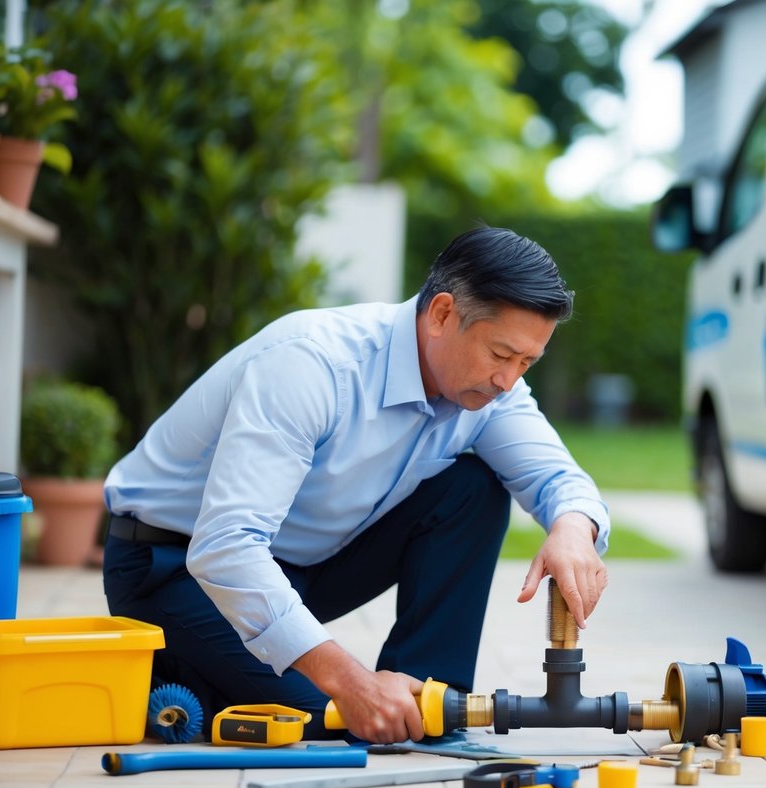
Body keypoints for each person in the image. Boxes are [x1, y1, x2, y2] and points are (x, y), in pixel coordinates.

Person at [102, 226, 610, 743]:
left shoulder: (488, 390)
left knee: (471, 488)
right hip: (173, 570)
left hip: (302, 565)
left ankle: (429, 699)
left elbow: (556, 477)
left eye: (526, 362)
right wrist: (350, 681)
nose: (508, 380)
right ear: (441, 315)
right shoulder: (311, 365)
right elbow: (226, 548)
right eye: (501, 355)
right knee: (335, 716)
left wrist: (572, 526)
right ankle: (184, 674)